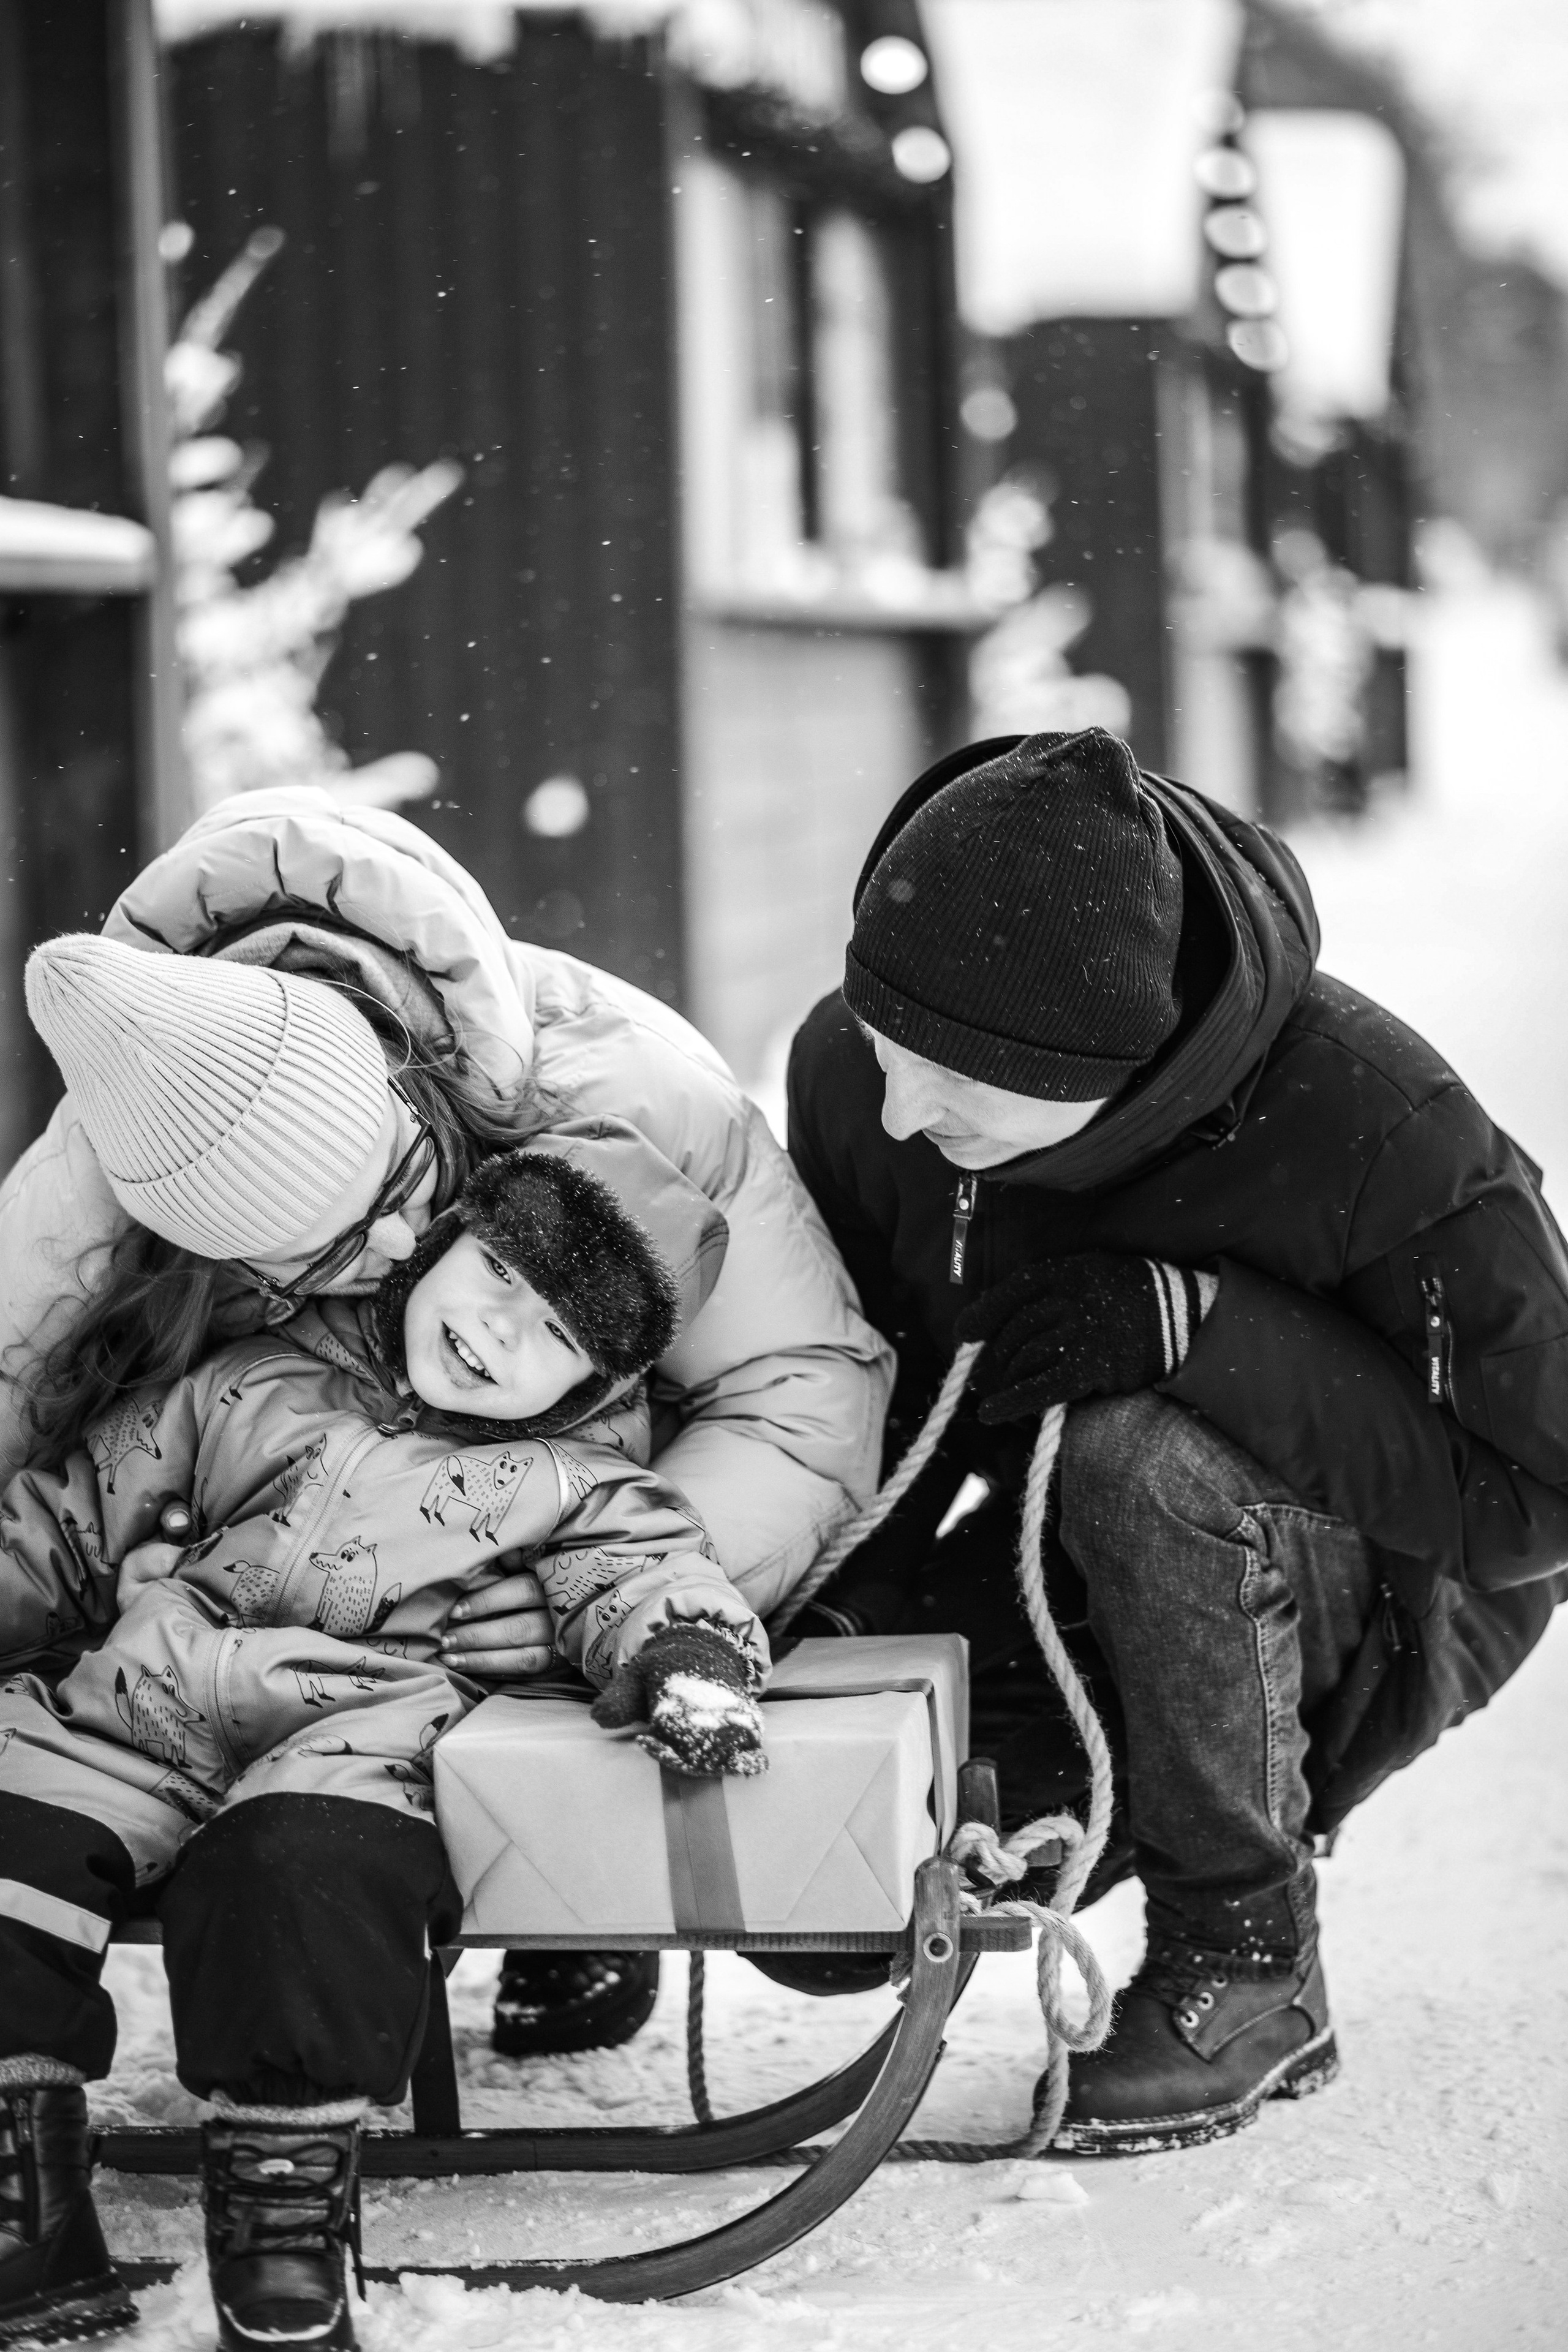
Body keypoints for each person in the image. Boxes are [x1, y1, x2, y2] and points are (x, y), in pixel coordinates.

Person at [0, 790, 891, 2070]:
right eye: (324, 1258)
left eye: (396, 1204)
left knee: (340, 1836)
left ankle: (564, 1911)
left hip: (469, 1626)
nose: (391, 1257)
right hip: (195, 1641)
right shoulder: (137, 1242)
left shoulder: (625, 1097)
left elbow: (793, 1403)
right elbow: (43, 1471)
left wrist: (603, 1627)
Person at [786, 725, 1568, 2154]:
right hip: (1055, 1558)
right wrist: (833, 1614)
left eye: (957, 1086)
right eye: (884, 1052)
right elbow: (864, 1391)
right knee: (827, 1906)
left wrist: (1204, 1329)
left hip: (1371, 1582)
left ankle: (1246, 1958)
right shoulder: (862, 1081)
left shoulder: (1380, 1132)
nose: (898, 1112)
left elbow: (1535, 1508)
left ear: (1118, 1066)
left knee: (1136, 1451)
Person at [2, 949, 767, 2346]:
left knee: (297, 1881)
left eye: (547, 1337)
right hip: (135, 1700)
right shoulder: (245, 1381)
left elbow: (645, 1574)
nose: (493, 1330)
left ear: (592, 1386)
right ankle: (23, 2202)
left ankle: (283, 2193)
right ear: (439, 1244)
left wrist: (687, 1660)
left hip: (354, 1741)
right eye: (493, 1277)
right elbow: (64, 1520)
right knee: (7, 1843)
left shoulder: (570, 1485)